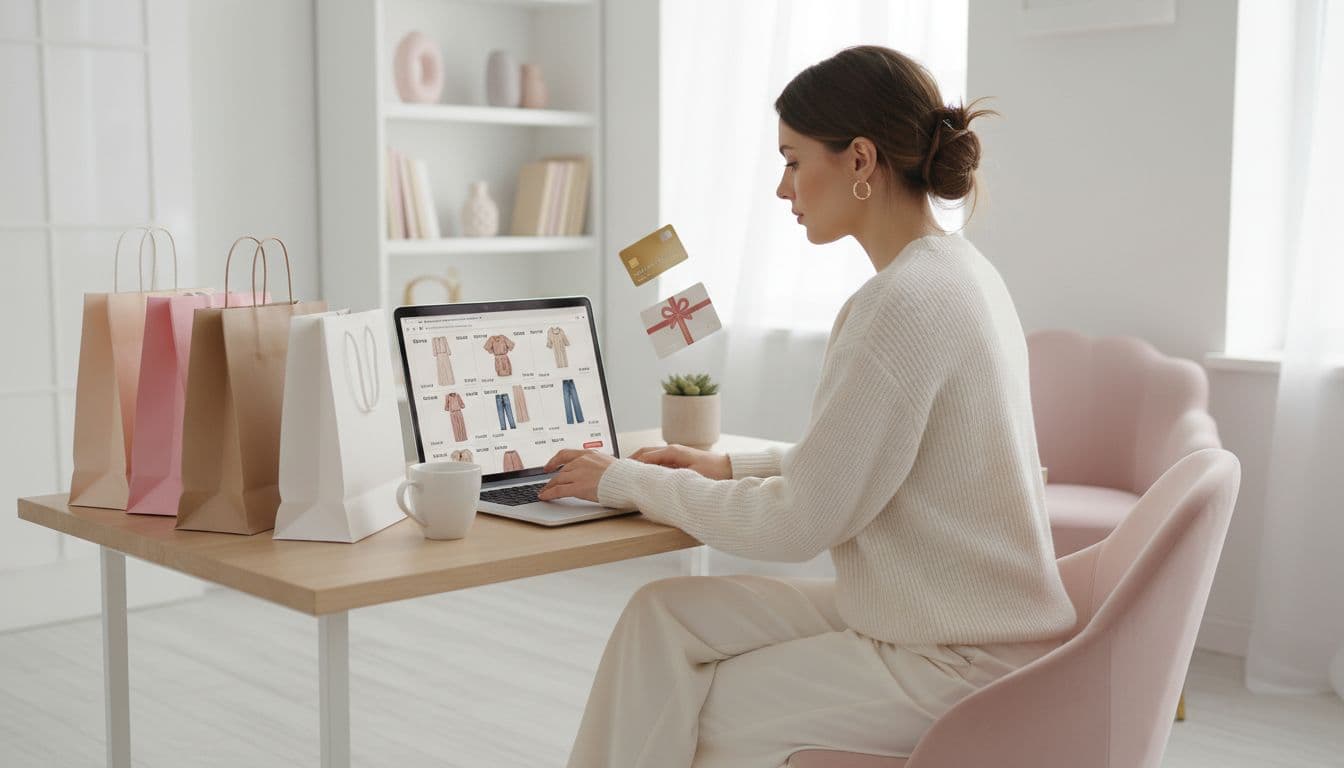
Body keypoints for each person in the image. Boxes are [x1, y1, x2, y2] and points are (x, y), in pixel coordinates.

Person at [539, 44, 1076, 768]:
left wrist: (627, 480)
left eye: (793, 161)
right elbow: (880, 467)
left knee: (683, 702)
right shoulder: (960, 272)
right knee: (661, 619)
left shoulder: (901, 305)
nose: (783, 189)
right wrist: (726, 463)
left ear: (860, 160)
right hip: (932, 615)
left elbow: (801, 522)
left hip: (955, 656)